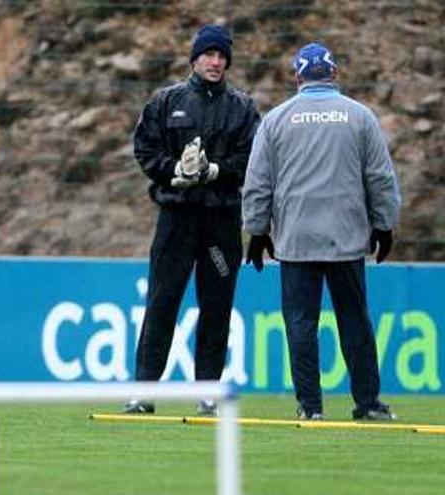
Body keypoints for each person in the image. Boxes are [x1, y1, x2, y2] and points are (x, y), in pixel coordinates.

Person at [242, 42, 401, 420]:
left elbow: (258, 182)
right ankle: (367, 404)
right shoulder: (360, 117)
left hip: (296, 240)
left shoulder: (277, 119)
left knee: (300, 325)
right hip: (345, 240)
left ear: (297, 77)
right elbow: (379, 177)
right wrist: (384, 224)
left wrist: (257, 230)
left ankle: (309, 408)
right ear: (334, 74)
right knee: (354, 322)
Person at [125, 24, 260, 416]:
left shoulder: (242, 106)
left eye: (221, 56)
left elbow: (252, 158)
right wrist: (173, 172)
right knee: (161, 304)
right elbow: (144, 150)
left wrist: (216, 170)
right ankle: (143, 392)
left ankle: (208, 394)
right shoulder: (166, 101)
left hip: (221, 222)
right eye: (209, 55)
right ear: (195, 58)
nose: (215, 62)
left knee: (217, 308)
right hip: (177, 219)